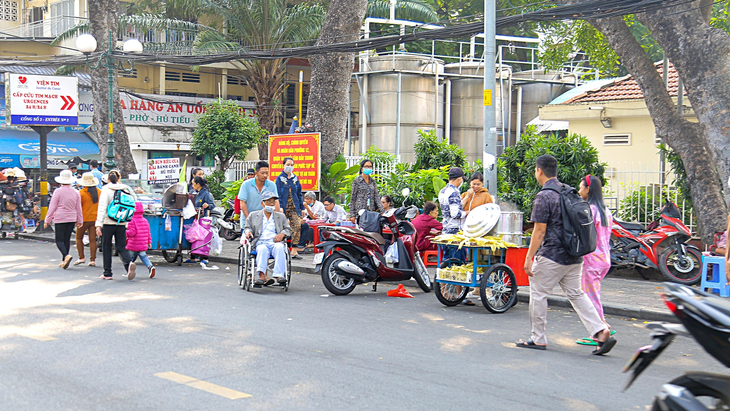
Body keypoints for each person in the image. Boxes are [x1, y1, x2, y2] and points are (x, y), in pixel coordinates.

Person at [516, 155, 616, 354]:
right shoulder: (568, 191)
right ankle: (601, 330)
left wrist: (529, 257)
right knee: (577, 294)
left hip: (552, 255)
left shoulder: (544, 196)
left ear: (539, 171)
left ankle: (538, 338)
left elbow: (539, 231)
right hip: (575, 256)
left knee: (538, 294)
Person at [577, 175, 614, 344]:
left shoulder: (590, 210)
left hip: (591, 260)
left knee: (590, 297)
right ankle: (603, 324)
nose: (579, 191)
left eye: (581, 187)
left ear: (588, 189)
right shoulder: (605, 210)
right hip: (604, 258)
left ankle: (598, 332)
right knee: (594, 294)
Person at [243, 192, 292, 285]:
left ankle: (279, 275)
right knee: (262, 249)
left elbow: (288, 229)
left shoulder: (280, 216)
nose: (271, 204)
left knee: (280, 248)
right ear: (263, 203)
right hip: (261, 242)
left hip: (275, 242)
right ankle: (262, 276)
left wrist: (282, 234)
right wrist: (248, 232)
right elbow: (247, 227)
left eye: (273, 202)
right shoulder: (253, 215)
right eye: (269, 202)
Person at [95, 170, 137, 281]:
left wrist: (98, 224)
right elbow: (134, 203)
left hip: (108, 222)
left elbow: (102, 207)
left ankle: (107, 273)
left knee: (106, 246)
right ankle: (129, 265)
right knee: (121, 246)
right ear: (119, 178)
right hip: (122, 222)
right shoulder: (125, 189)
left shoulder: (106, 189)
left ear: (108, 179)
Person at [44, 170, 83, 269]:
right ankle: (64, 260)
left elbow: (52, 206)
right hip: (71, 218)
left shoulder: (58, 191)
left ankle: (66, 256)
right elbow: (78, 207)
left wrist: (47, 219)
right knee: (67, 239)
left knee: (59, 240)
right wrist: (80, 220)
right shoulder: (76, 192)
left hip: (60, 218)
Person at [237, 161, 280, 229]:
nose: (265, 175)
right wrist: (249, 219)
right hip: (248, 222)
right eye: (262, 173)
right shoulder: (246, 185)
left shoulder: (272, 185)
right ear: (256, 173)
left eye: (266, 173)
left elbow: (276, 202)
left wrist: (278, 220)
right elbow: (242, 203)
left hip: (265, 223)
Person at [276, 157, 304, 259]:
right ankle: (280, 249)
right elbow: (277, 194)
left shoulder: (295, 178)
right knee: (281, 228)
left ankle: (294, 251)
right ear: (283, 165)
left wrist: (302, 207)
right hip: (283, 207)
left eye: (292, 165)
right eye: (288, 164)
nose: (290, 167)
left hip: (294, 207)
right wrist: (280, 207)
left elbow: (299, 194)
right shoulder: (279, 179)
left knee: (297, 226)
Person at [74, 173, 101, 267]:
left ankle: (81, 257)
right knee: (93, 240)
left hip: (83, 219)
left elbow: (77, 207)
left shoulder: (81, 193)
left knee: (78, 238)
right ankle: (92, 260)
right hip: (95, 219)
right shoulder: (99, 192)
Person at [126, 202, 156, 278]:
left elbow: (132, 233)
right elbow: (148, 232)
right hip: (143, 243)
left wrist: (125, 233)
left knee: (129, 258)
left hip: (133, 243)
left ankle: (128, 271)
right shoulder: (145, 221)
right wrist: (149, 242)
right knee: (143, 256)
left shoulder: (131, 220)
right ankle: (150, 266)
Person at [349, 159, 384, 223]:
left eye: (370, 166)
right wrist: (352, 215)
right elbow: (353, 198)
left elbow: (377, 197)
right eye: (366, 166)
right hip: (360, 211)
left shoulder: (372, 182)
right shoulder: (357, 181)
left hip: (371, 211)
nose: (368, 168)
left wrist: (382, 212)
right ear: (362, 169)